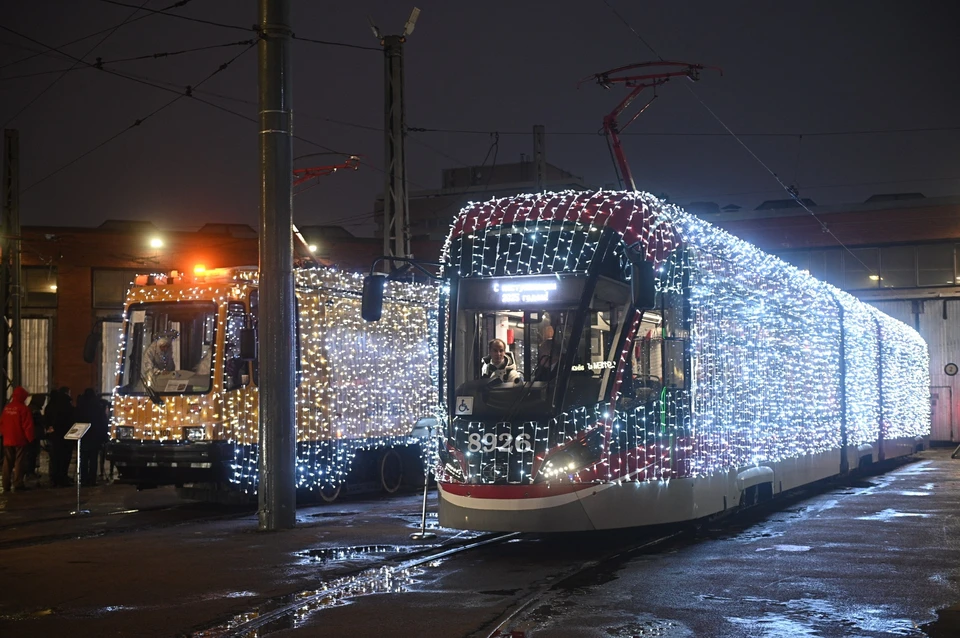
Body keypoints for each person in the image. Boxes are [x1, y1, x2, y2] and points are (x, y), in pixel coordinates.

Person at [1, 386, 36, 493]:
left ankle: (5, 484)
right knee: (19, 462)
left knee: (7, 462)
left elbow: (2, 423)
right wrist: (31, 439)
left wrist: (4, 435)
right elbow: (27, 426)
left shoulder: (7, 408)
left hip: (8, 439)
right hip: (20, 439)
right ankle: (18, 483)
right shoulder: (24, 409)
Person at [76, 388, 109, 486]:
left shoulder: (80, 407)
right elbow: (102, 422)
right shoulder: (97, 407)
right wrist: (104, 437)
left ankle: (83, 478)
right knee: (93, 459)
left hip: (84, 435)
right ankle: (92, 479)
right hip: (95, 436)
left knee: (84, 459)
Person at [44, 387, 74, 487]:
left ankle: (54, 478)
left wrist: (49, 428)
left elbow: (46, 419)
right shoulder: (67, 405)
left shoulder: (51, 405)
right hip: (66, 437)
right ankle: (62, 478)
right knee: (64, 458)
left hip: (53, 436)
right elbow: (70, 420)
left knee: (54, 458)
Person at [24, 393, 46, 480]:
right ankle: (30, 472)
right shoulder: (34, 410)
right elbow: (38, 421)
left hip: (32, 435)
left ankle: (29, 472)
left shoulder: (30, 408)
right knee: (32, 454)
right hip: (33, 435)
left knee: (31, 454)